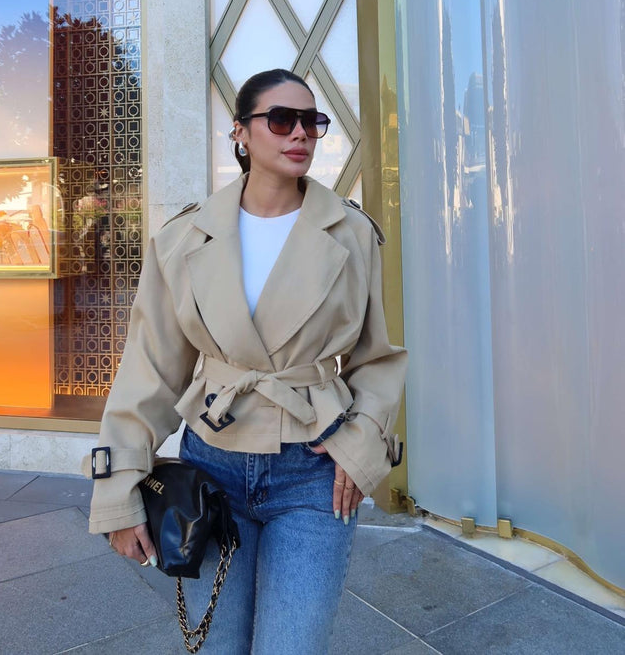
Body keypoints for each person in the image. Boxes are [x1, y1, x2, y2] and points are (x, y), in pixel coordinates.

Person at [85, 68, 408, 654]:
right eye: (281, 120)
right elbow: (151, 366)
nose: (300, 133)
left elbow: (377, 357)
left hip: (314, 467)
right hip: (212, 466)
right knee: (217, 646)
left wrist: (362, 443)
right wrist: (119, 486)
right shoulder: (184, 238)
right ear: (240, 132)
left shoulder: (352, 233)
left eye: (311, 121)